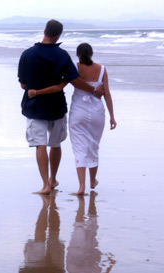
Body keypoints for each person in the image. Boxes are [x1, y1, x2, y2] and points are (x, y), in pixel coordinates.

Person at [18, 20, 104, 195]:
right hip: (56, 106)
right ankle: (53, 179)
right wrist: (94, 90)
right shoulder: (62, 55)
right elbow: (74, 79)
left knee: (39, 144)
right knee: (55, 144)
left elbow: (23, 84)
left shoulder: (27, 55)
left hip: (34, 106)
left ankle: (45, 185)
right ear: (58, 36)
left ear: (44, 31)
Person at [28, 43, 117, 195]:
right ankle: (93, 180)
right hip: (97, 111)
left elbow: (58, 87)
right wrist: (112, 116)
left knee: (79, 148)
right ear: (92, 54)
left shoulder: (74, 68)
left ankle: (81, 187)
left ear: (77, 55)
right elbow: (107, 94)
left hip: (78, 112)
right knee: (93, 145)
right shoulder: (102, 69)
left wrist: (36, 92)